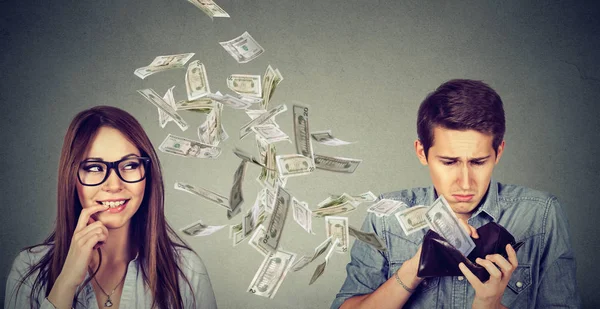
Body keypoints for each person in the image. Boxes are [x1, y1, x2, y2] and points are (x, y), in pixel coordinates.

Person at [331, 79, 581, 309]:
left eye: (478, 162)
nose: (465, 183)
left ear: (499, 152)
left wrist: (490, 304)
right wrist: (413, 269)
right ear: (422, 152)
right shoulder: (386, 216)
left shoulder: (541, 215)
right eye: (449, 162)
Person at [4, 106, 218, 309]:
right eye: (95, 168)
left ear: (148, 174)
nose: (114, 185)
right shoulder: (28, 269)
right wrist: (67, 281)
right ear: (72, 178)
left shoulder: (187, 272)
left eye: (130, 165)